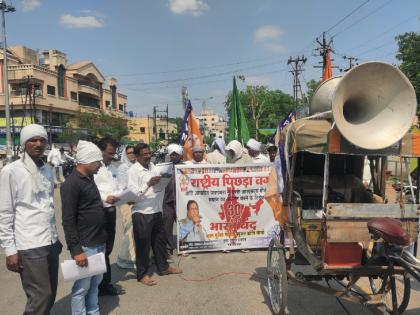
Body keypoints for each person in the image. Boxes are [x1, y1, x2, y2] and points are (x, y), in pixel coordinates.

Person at [0, 124, 62, 314]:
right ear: (25, 143)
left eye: (42, 140)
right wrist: (10, 250)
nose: (38, 144)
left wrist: (55, 238)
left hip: (49, 241)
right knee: (40, 295)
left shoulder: (47, 170)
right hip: (29, 243)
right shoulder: (11, 171)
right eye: (33, 140)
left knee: (50, 293)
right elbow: (5, 212)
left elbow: (48, 207)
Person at [61, 140, 106, 315]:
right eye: (97, 162)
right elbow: (68, 220)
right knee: (82, 288)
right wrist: (76, 249)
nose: (100, 166)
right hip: (86, 245)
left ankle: (93, 311)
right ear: (86, 161)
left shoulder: (89, 178)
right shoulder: (71, 184)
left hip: (99, 241)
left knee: (95, 283)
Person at [128, 143, 182, 286]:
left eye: (149, 153)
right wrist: (148, 184)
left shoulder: (154, 167)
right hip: (142, 212)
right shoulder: (133, 171)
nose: (148, 156)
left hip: (157, 210)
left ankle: (163, 267)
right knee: (143, 246)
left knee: (159, 242)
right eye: (144, 154)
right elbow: (132, 196)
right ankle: (142, 274)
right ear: (137, 156)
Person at [94, 136, 123, 296]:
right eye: (109, 153)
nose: (112, 156)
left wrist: (124, 195)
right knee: (100, 249)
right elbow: (90, 190)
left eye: (113, 153)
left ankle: (103, 283)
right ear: (100, 151)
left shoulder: (113, 168)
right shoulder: (93, 168)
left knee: (108, 248)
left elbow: (118, 186)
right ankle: (101, 285)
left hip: (111, 211)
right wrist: (105, 198)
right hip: (98, 211)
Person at [116, 145, 137, 269]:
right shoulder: (123, 168)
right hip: (127, 201)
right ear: (126, 154)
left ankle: (141, 257)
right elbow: (124, 186)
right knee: (129, 230)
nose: (132, 154)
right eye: (129, 153)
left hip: (138, 200)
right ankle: (126, 259)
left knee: (138, 230)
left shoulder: (140, 166)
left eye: (134, 152)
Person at [163, 144, 184, 257]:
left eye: (176, 154)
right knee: (167, 225)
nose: (174, 157)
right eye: (172, 155)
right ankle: (168, 247)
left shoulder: (185, 167)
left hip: (182, 201)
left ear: (180, 155)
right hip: (167, 201)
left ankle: (184, 245)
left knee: (183, 223)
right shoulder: (164, 167)